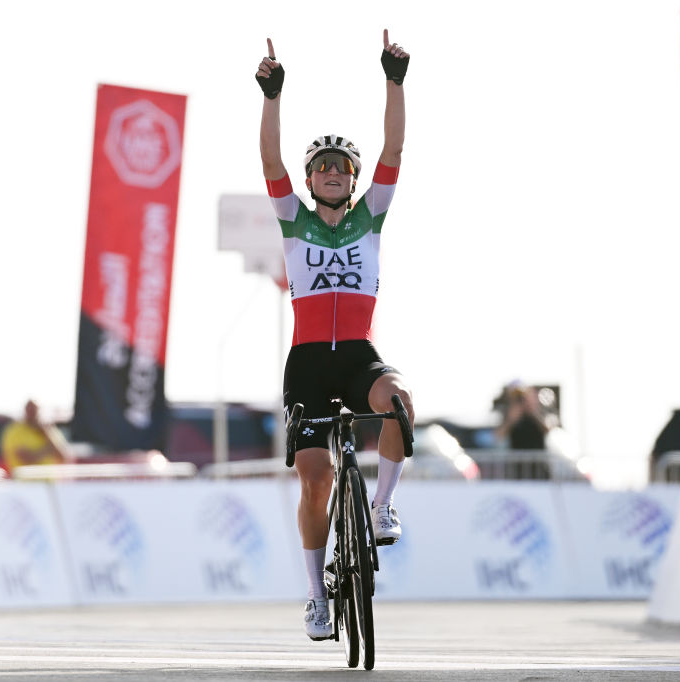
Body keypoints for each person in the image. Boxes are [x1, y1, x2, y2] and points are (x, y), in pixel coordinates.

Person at [256, 30, 414, 641]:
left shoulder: (371, 215)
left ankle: (382, 507)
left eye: (338, 167)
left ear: (350, 180)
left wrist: (394, 82)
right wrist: (272, 97)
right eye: (319, 167)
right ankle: (316, 597)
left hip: (356, 355)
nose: (328, 173)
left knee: (398, 402)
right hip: (307, 366)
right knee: (316, 477)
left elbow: (393, 149)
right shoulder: (292, 219)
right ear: (311, 178)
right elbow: (270, 162)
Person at [0, 400, 74, 473]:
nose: (32, 413)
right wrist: (48, 450)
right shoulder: (15, 431)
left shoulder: (49, 430)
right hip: (25, 481)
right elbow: (26, 459)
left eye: (34, 410)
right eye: (30, 410)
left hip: (49, 482)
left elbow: (64, 457)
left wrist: (45, 434)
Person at [494, 381, 549, 450]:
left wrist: (533, 412)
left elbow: (548, 431)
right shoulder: (509, 413)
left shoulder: (540, 412)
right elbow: (498, 436)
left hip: (538, 457)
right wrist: (511, 419)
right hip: (516, 458)